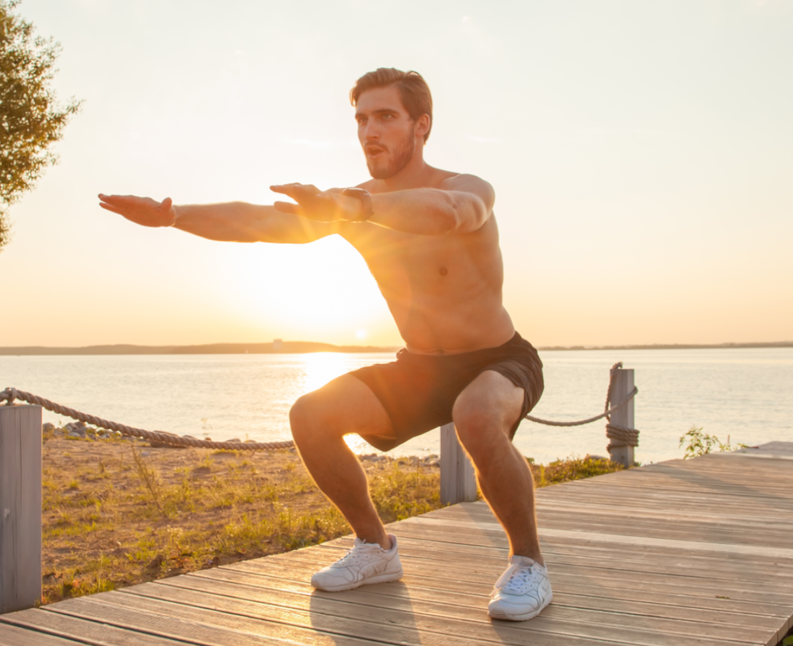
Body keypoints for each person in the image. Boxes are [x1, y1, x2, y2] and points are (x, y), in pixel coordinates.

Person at [98, 67, 551, 621]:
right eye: (361, 119)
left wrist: (354, 207)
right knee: (311, 415)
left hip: (498, 359)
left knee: (476, 416)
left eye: (386, 116)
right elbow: (260, 222)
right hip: (422, 367)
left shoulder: (464, 187)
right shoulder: (350, 202)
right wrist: (172, 216)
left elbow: (452, 215)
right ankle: (375, 549)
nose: (369, 131)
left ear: (421, 125)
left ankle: (529, 564)